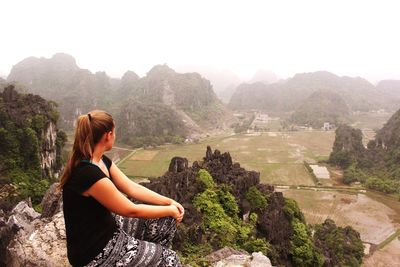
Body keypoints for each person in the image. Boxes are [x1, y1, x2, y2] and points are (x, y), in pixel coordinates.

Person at [58, 110, 184, 267]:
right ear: (108, 135)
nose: (115, 136)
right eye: (114, 132)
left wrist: (168, 202)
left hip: (108, 229)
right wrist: (170, 209)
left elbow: (132, 188)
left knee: (166, 221)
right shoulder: (87, 173)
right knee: (170, 258)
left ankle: (150, 259)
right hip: (95, 252)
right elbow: (131, 210)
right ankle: (157, 259)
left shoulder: (100, 161)